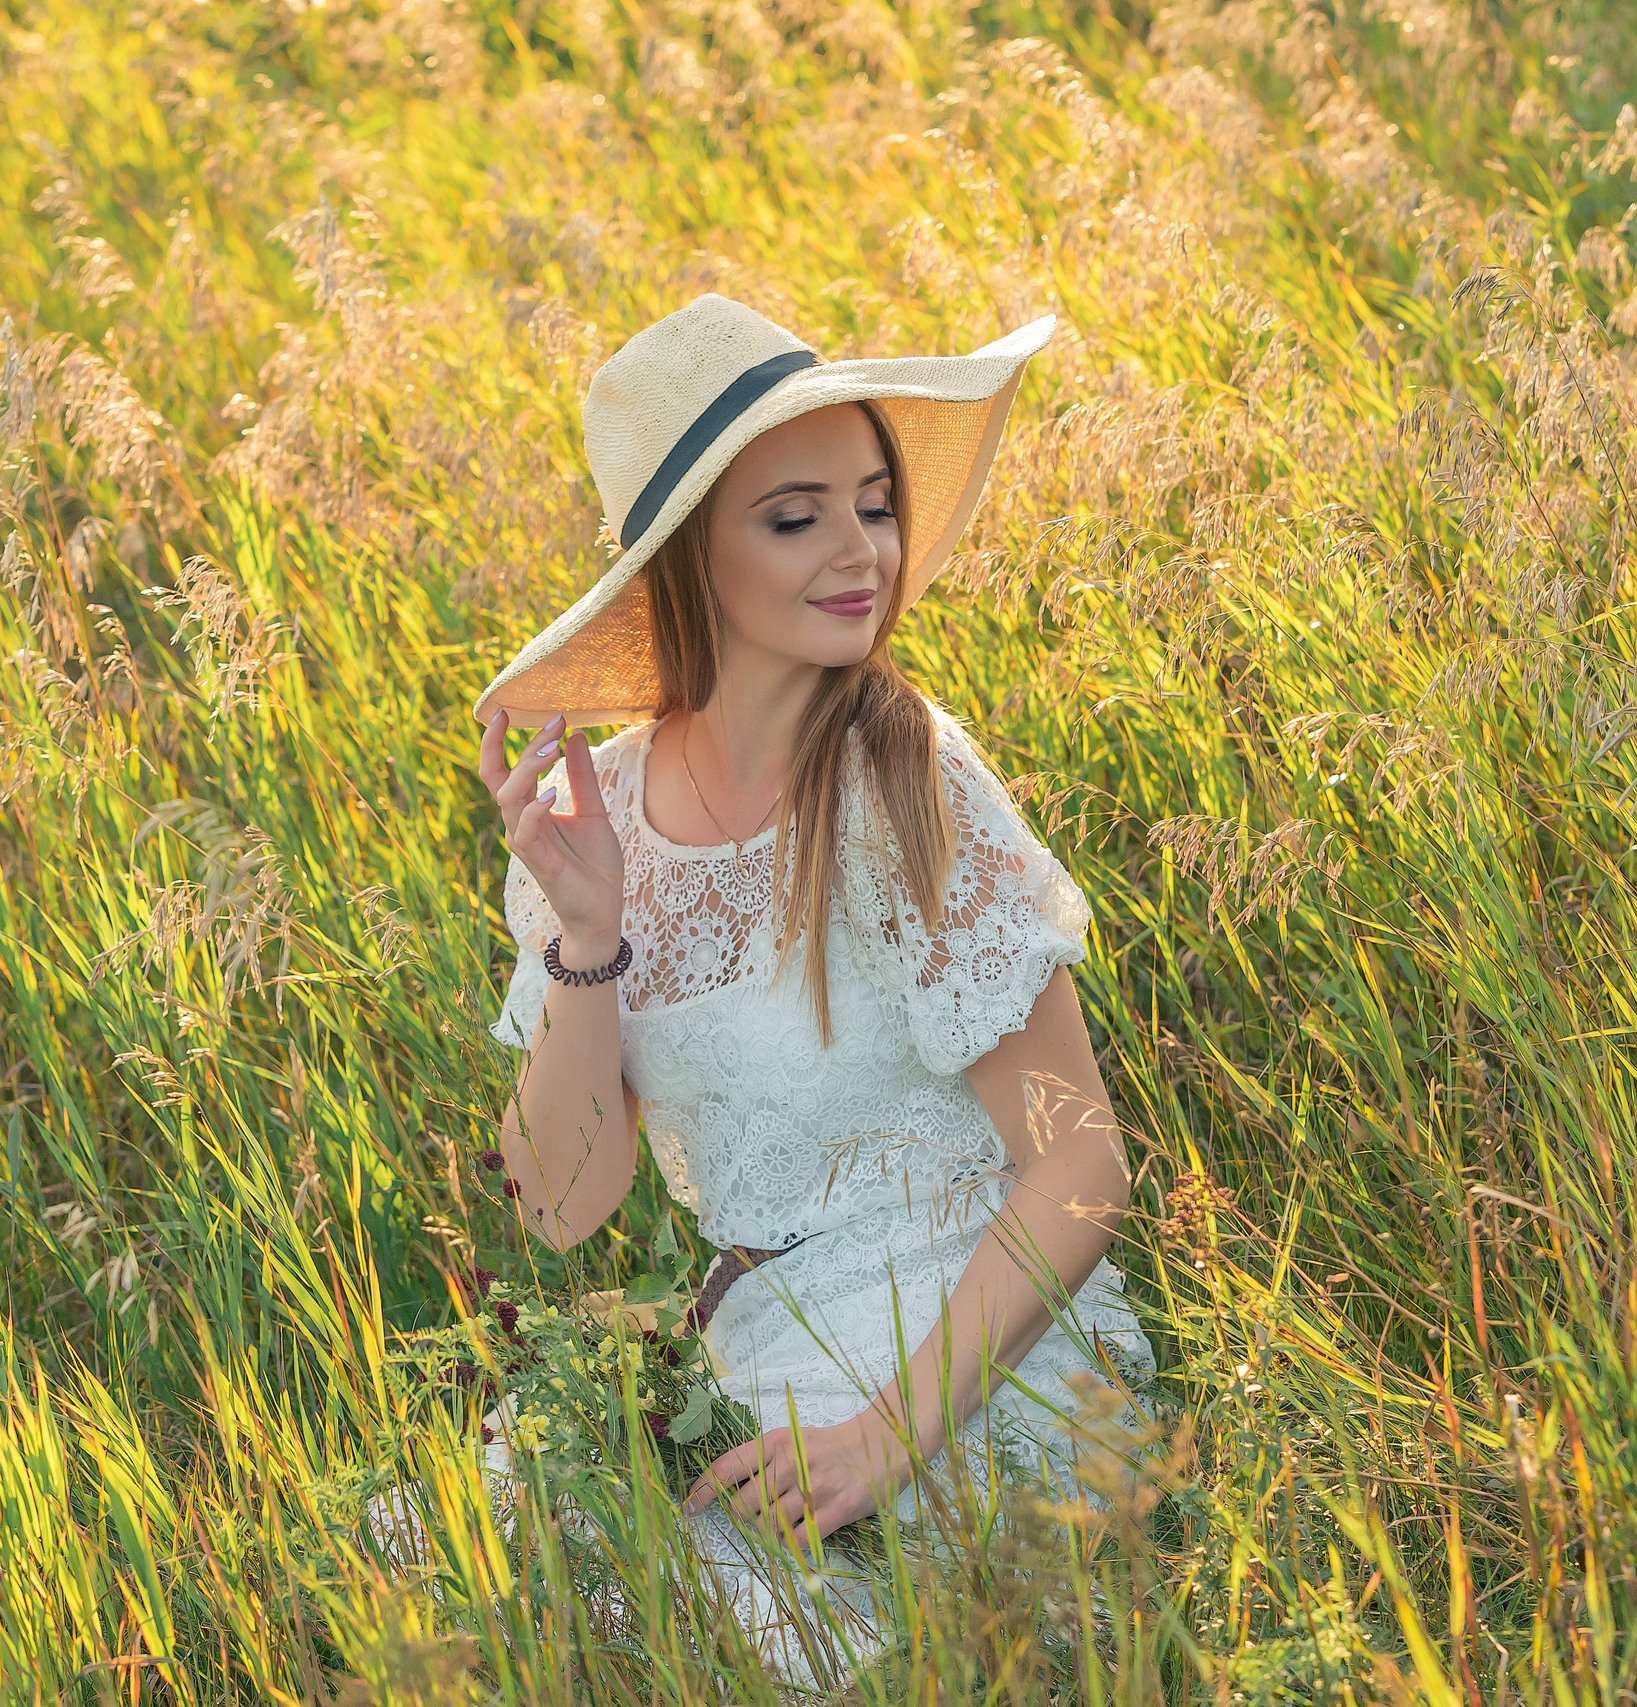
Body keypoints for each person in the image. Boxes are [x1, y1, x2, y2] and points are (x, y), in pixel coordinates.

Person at [452, 292, 1150, 1671]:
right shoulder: (602, 816)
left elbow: (1082, 1166)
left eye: (876, 506)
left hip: (974, 1342)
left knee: (759, 1626)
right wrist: (587, 933)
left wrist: (885, 1436)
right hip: (764, 1346)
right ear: (693, 563)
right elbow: (561, 1207)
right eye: (796, 518)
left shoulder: (911, 777)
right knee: (493, 1542)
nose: (860, 551)